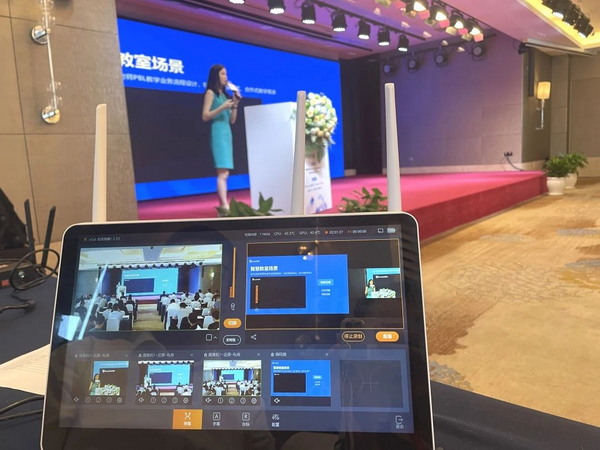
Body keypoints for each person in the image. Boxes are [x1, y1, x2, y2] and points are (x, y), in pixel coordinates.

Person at [202, 64, 240, 213]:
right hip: (217, 132)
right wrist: (222, 107)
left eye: (226, 74)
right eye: (223, 74)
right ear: (216, 76)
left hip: (226, 132)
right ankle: (224, 206)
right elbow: (205, 116)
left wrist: (235, 105)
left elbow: (232, 120)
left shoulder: (224, 95)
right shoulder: (210, 93)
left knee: (225, 172)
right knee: (222, 172)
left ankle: (223, 205)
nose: (226, 77)